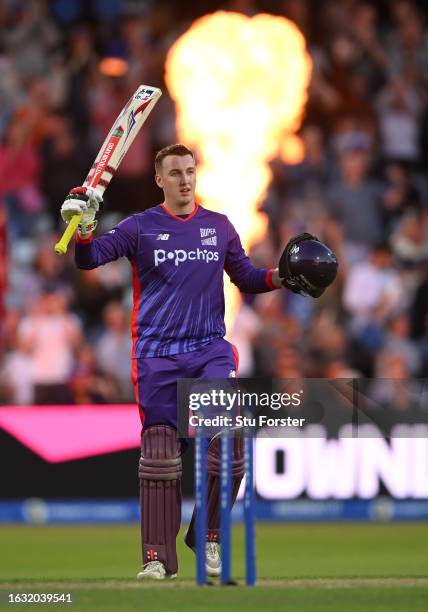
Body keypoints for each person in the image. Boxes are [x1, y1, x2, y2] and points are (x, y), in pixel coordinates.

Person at [60, 143, 337, 580]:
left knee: (229, 442)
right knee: (160, 458)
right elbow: (88, 258)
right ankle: (157, 559)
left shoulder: (219, 226)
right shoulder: (140, 227)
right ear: (159, 179)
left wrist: (280, 277)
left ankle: (208, 538)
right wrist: (83, 227)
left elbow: (244, 276)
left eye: (190, 171)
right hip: (155, 354)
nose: (185, 180)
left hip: (209, 349)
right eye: (175, 173)